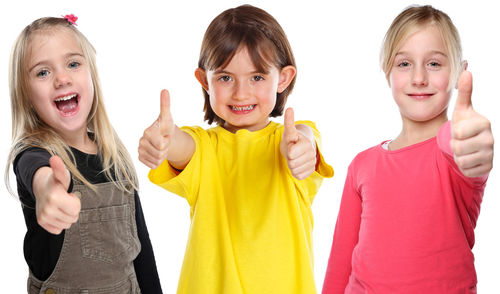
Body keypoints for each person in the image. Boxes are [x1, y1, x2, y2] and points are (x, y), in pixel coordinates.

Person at [138, 4, 333, 294]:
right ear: (205, 80)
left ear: (283, 77)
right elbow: (182, 146)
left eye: (257, 77)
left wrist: (306, 147)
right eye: (225, 78)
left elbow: (306, 139)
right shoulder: (204, 147)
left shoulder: (291, 140)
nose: (241, 93)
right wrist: (165, 140)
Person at [322, 5, 494, 294]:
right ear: (387, 70)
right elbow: (340, 265)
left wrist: (470, 139)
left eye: (434, 64)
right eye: (404, 64)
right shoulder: (362, 165)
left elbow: (461, 148)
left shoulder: (454, 150)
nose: (418, 78)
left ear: (459, 72)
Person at [6, 15, 162, 293]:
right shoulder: (33, 156)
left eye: (73, 64)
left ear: (91, 75)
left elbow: (142, 254)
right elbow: (37, 174)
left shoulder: (115, 157)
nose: (62, 78)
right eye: (43, 72)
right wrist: (47, 192)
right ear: (26, 95)